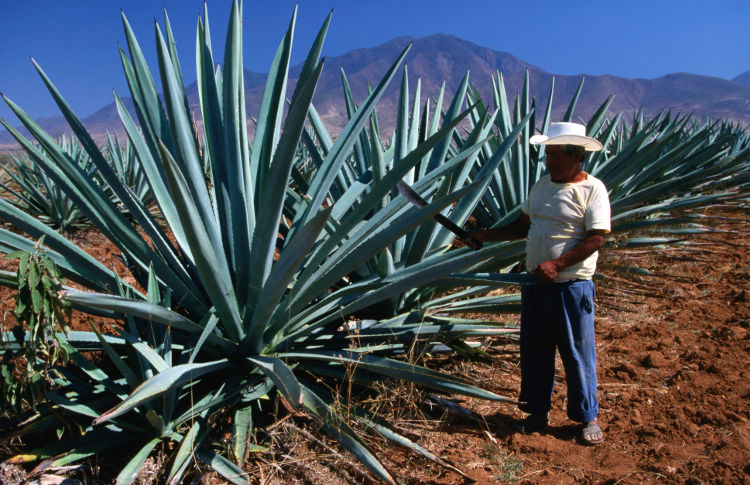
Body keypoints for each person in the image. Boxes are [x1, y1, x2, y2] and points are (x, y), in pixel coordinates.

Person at [470, 121, 610, 445]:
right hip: (535, 284)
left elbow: (597, 239)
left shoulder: (593, 189)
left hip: (570, 286)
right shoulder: (541, 186)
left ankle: (587, 417)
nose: (549, 161)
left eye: (555, 154)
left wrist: (559, 263)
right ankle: (536, 413)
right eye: (547, 154)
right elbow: (522, 227)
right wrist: (486, 235)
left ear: (576, 155)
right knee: (534, 351)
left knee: (576, 353)